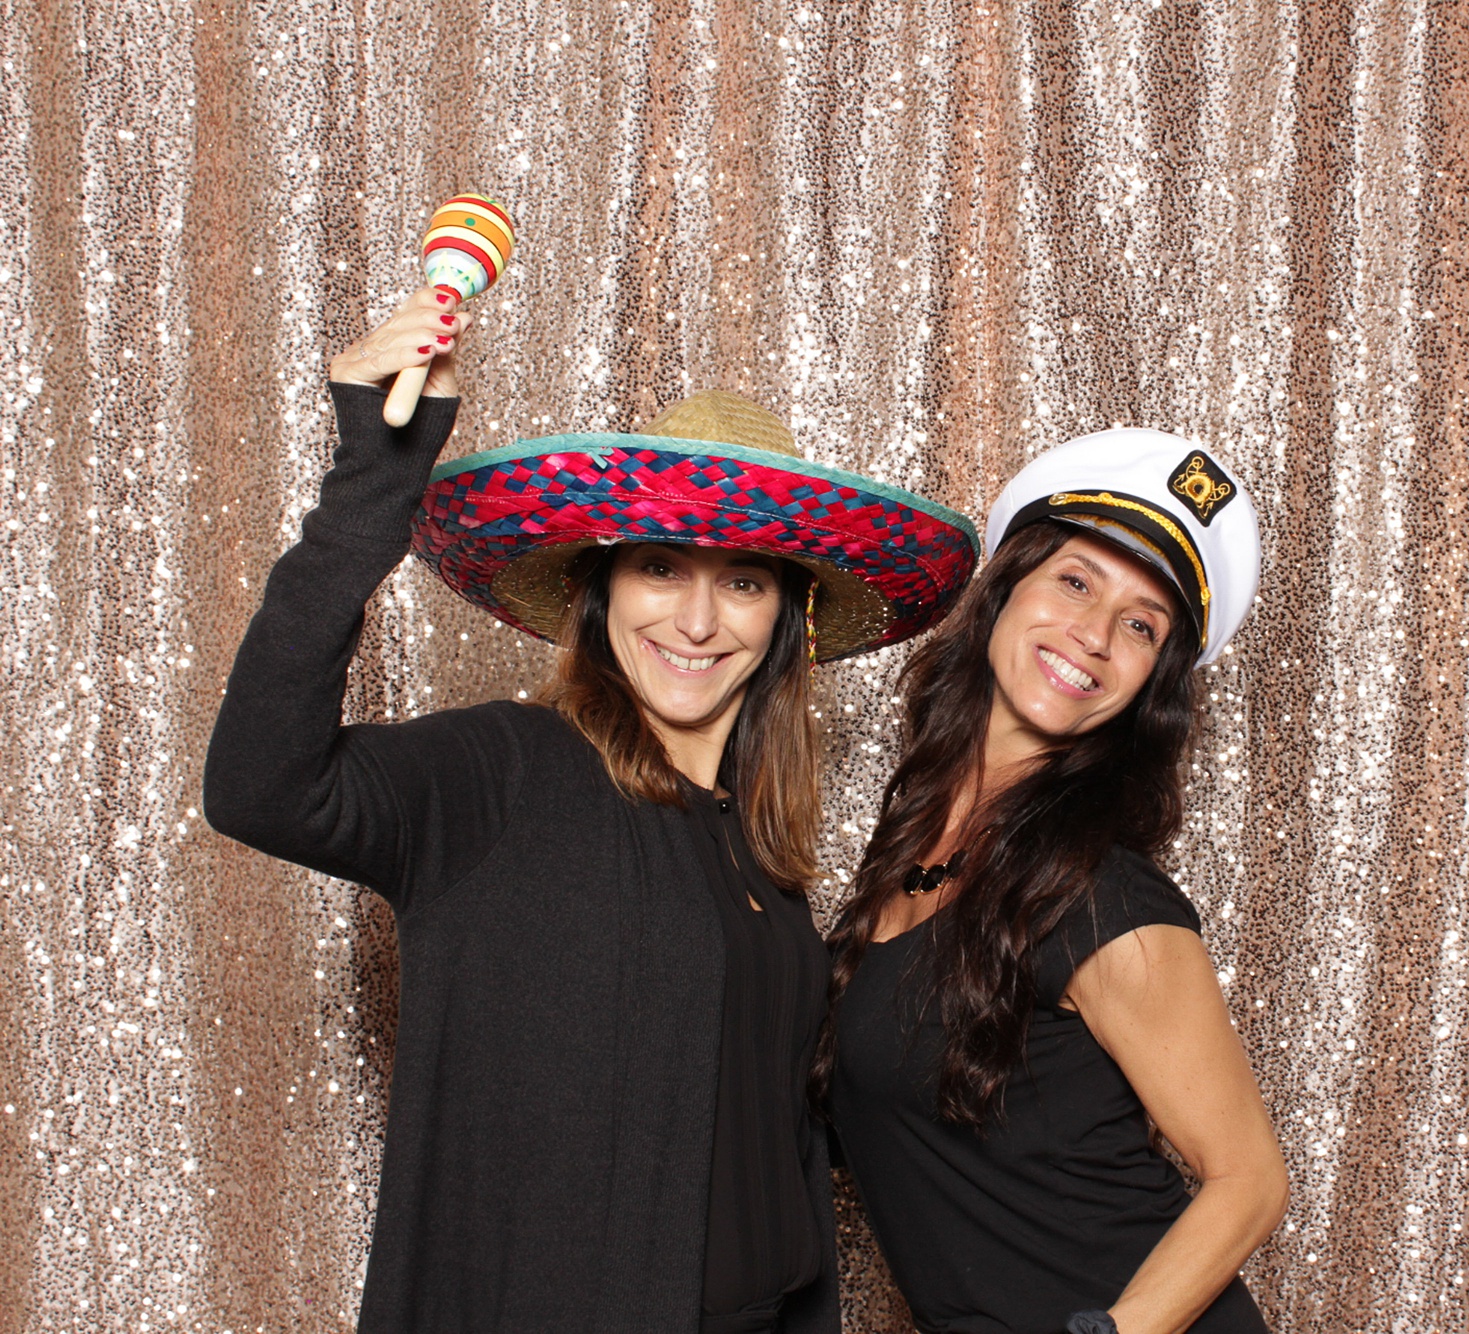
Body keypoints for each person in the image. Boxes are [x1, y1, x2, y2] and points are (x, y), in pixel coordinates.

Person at [203, 286, 978, 1333]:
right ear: (599, 589)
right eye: (662, 566)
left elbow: (770, 1142)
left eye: (743, 582)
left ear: (786, 618)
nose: (698, 618)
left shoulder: (759, 850)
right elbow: (259, 784)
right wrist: (368, 489)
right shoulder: (505, 774)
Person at [816, 431, 1288, 1334]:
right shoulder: (914, 845)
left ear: (1153, 681)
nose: (1095, 635)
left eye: (1143, 624)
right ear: (1004, 590)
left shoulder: (1106, 900)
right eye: (1075, 581)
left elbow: (1251, 1180)